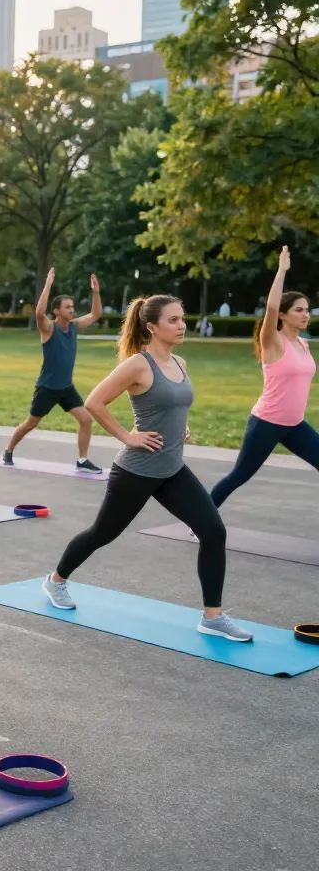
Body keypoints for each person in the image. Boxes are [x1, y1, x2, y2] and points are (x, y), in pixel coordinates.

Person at [40, 295, 252, 642]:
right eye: (173, 320)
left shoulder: (180, 362)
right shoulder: (138, 364)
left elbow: (173, 404)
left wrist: (179, 428)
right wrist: (127, 436)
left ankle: (212, 617)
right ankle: (56, 580)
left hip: (171, 469)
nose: (181, 325)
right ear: (152, 326)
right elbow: (94, 401)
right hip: (137, 470)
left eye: (182, 319)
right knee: (102, 534)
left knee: (213, 531)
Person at [211, 247, 319, 506]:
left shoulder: (303, 345)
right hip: (267, 423)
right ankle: (201, 519)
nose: (306, 314)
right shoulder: (273, 342)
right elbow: (270, 307)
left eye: (307, 310)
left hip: (295, 425)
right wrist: (281, 271)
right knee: (239, 475)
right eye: (299, 310)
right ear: (283, 314)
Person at [2, 268, 103, 472]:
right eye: (67, 307)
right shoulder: (49, 328)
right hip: (47, 388)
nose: (72, 310)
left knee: (86, 419)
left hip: (66, 387)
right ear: (56, 311)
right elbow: (39, 313)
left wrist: (95, 292)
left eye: (72, 307)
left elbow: (96, 314)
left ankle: (82, 460)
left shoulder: (74, 327)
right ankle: (8, 449)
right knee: (31, 423)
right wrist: (48, 283)